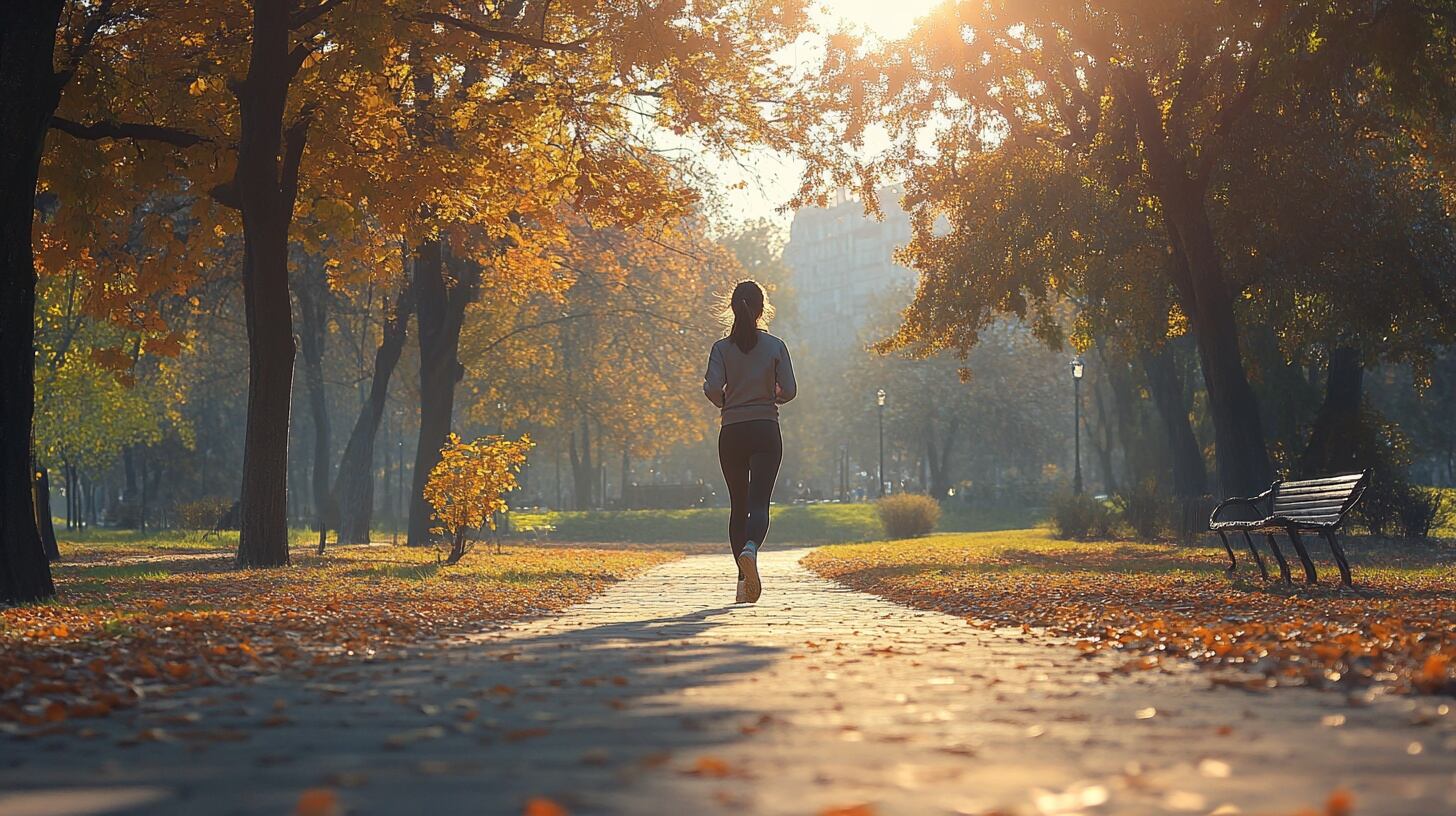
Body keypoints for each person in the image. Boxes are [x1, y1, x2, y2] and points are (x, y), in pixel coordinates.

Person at [703, 280, 796, 604]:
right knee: (759, 503)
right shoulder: (775, 346)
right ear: (761, 310)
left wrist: (727, 400)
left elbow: (712, 388)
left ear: (732, 308)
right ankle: (751, 549)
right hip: (765, 429)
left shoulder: (720, 349)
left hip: (732, 432)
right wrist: (770, 395)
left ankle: (744, 584)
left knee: (738, 506)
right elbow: (790, 389)